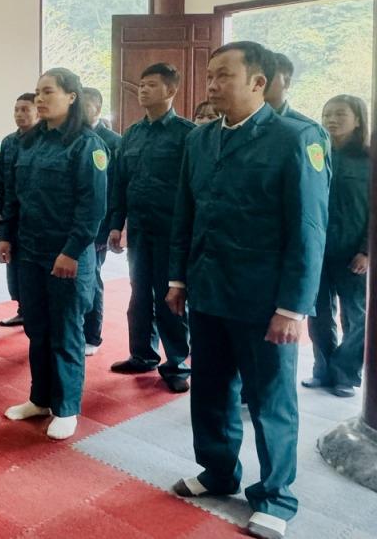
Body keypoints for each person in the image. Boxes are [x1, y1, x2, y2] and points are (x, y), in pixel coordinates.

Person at [166, 42, 329, 539]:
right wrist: (177, 279)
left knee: (270, 401)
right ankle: (218, 472)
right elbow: (186, 213)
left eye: (224, 76)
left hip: (264, 300)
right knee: (211, 390)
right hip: (209, 289)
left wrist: (293, 308)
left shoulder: (296, 138)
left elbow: (308, 229)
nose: (212, 85)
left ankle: (276, 496)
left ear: (258, 82)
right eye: (209, 76)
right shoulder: (200, 139)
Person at [0, 68, 107, 441]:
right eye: (37, 92)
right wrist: (6, 235)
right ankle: (40, 398)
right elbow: (15, 195)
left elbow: (92, 207)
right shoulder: (29, 142)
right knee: (37, 328)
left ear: (71, 96)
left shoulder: (87, 145)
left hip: (66, 256)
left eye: (48, 92)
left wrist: (72, 251)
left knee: (66, 331)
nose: (40, 99)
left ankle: (66, 407)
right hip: (30, 251)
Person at [106, 63, 195, 392]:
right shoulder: (132, 133)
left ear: (171, 90)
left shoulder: (187, 134)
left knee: (170, 297)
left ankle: (177, 363)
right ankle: (142, 354)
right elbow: (120, 182)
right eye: (141, 84)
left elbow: (193, 188)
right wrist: (116, 224)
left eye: (152, 85)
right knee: (139, 294)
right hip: (141, 231)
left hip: (173, 232)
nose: (143, 90)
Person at [303, 94, 369, 397]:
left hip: (353, 251)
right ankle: (323, 369)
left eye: (340, 114)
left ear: (357, 120)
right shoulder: (314, 152)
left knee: (358, 318)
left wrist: (366, 251)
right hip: (317, 248)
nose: (331, 119)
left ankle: (346, 371)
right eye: (327, 113)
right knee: (318, 314)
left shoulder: (369, 158)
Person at [82, 87, 121, 356]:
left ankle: (92, 336)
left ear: (97, 108)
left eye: (84, 105)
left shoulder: (112, 141)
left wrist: (108, 228)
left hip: (98, 224)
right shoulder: (72, 137)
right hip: (75, 223)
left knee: (92, 279)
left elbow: (114, 188)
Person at [0, 93, 38, 327]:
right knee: (14, 266)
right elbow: (1, 180)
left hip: (32, 215)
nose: (19, 114)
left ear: (37, 112)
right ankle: (22, 308)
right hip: (11, 213)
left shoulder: (41, 141)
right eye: (16, 110)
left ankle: (33, 312)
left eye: (25, 109)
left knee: (30, 268)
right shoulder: (9, 141)